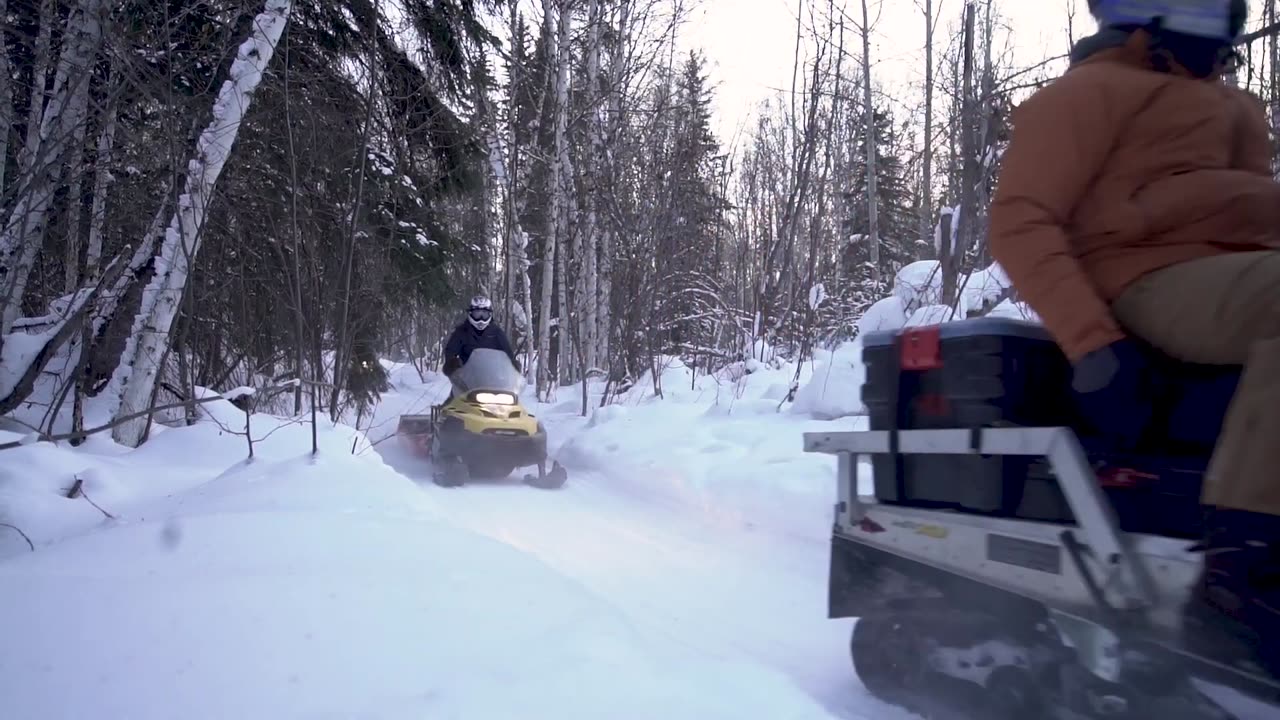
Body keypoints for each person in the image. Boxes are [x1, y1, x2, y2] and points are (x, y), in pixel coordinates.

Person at [987, 0, 1280, 677]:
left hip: (1240, 278)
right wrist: (1092, 343)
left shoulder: (1240, 107)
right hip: (1147, 279)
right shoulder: (1087, 93)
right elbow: (1021, 221)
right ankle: (1240, 587)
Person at [442, 295, 519, 377]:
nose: (481, 319)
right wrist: (452, 365)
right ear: (471, 313)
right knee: (454, 390)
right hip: (466, 381)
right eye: (477, 314)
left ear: (490, 314)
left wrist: (513, 367)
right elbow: (450, 351)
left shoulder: (497, 333)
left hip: (493, 380)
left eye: (484, 314)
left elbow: (508, 354)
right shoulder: (461, 332)